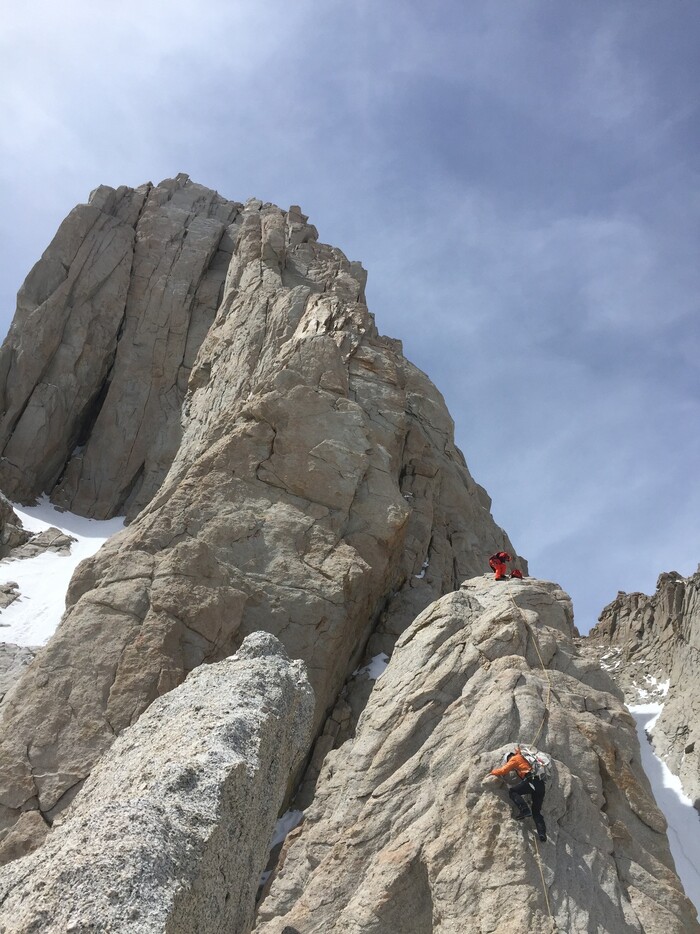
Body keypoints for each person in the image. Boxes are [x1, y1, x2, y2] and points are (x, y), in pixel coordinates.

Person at [487, 749, 547, 841]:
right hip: (541, 785)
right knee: (536, 812)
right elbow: (519, 758)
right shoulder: (521, 757)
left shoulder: (514, 759)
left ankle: (524, 810)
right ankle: (542, 834)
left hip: (532, 781)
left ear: (508, 758)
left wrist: (493, 772)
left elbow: (503, 770)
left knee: (513, 792)